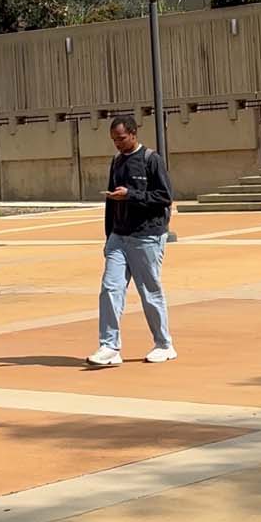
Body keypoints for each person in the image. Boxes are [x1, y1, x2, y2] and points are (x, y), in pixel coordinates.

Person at [86, 112, 176, 366]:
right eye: (114, 139)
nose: (117, 143)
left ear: (134, 134)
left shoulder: (151, 160)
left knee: (150, 292)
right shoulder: (116, 162)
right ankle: (109, 347)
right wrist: (108, 236)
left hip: (147, 236)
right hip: (119, 236)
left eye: (121, 138)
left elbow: (164, 196)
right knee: (110, 289)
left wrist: (131, 195)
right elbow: (110, 202)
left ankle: (164, 343)